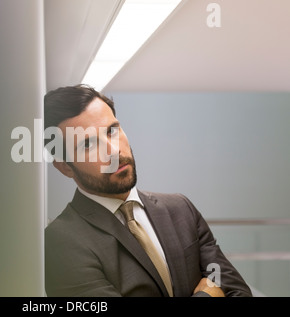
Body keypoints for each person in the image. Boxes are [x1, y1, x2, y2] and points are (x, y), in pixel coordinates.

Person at [44, 84, 252, 297]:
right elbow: (217, 289)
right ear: (65, 166)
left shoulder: (180, 209)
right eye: (88, 144)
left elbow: (236, 290)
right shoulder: (60, 243)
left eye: (112, 131)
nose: (114, 151)